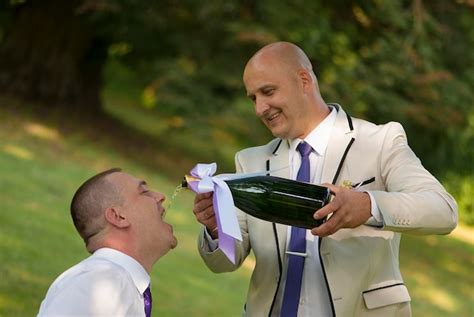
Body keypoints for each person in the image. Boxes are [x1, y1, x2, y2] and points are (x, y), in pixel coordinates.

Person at [192, 42, 457, 317]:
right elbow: (225, 262)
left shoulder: (381, 142)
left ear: (303, 80)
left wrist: (367, 206)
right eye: (253, 98)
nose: (260, 108)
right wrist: (215, 229)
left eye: (267, 92)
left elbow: (443, 210)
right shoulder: (250, 162)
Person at [38, 168, 177, 316]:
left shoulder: (115, 282)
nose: (160, 196)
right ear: (118, 217)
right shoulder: (100, 282)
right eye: (144, 192)